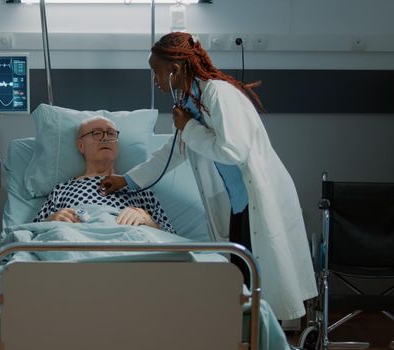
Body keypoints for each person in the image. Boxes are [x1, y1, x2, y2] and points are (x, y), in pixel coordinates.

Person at [100, 32, 317, 321]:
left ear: (174, 69)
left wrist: (189, 126)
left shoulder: (218, 93)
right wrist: (126, 179)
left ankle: (261, 339)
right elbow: (175, 150)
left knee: (257, 283)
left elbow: (234, 150)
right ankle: (248, 337)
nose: (155, 79)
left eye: (156, 71)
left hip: (258, 199)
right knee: (243, 280)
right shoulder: (191, 101)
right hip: (239, 205)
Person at [34, 116, 175, 234]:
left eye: (111, 133)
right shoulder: (61, 190)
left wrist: (147, 220)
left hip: (128, 243)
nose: (105, 138)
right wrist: (52, 219)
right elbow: (33, 232)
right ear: (80, 145)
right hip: (77, 242)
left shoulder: (140, 188)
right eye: (96, 133)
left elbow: (171, 237)